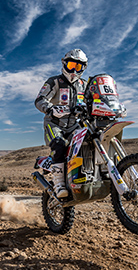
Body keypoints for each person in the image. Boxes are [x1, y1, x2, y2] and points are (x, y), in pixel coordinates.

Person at [34, 49, 88, 198]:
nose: (74, 70)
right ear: (64, 64)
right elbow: (39, 100)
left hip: (74, 125)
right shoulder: (55, 82)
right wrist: (51, 108)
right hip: (55, 123)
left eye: (78, 67)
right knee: (59, 144)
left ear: (83, 68)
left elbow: (93, 101)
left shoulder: (84, 84)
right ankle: (58, 184)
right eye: (71, 65)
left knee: (89, 140)